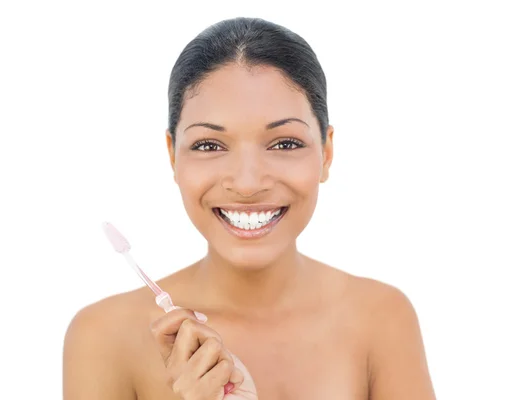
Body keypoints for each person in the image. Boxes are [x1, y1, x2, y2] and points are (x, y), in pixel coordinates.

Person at [63, 17, 436, 400]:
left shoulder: (381, 318)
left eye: (284, 143)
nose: (246, 183)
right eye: (209, 145)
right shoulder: (103, 337)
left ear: (326, 153)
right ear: (172, 156)